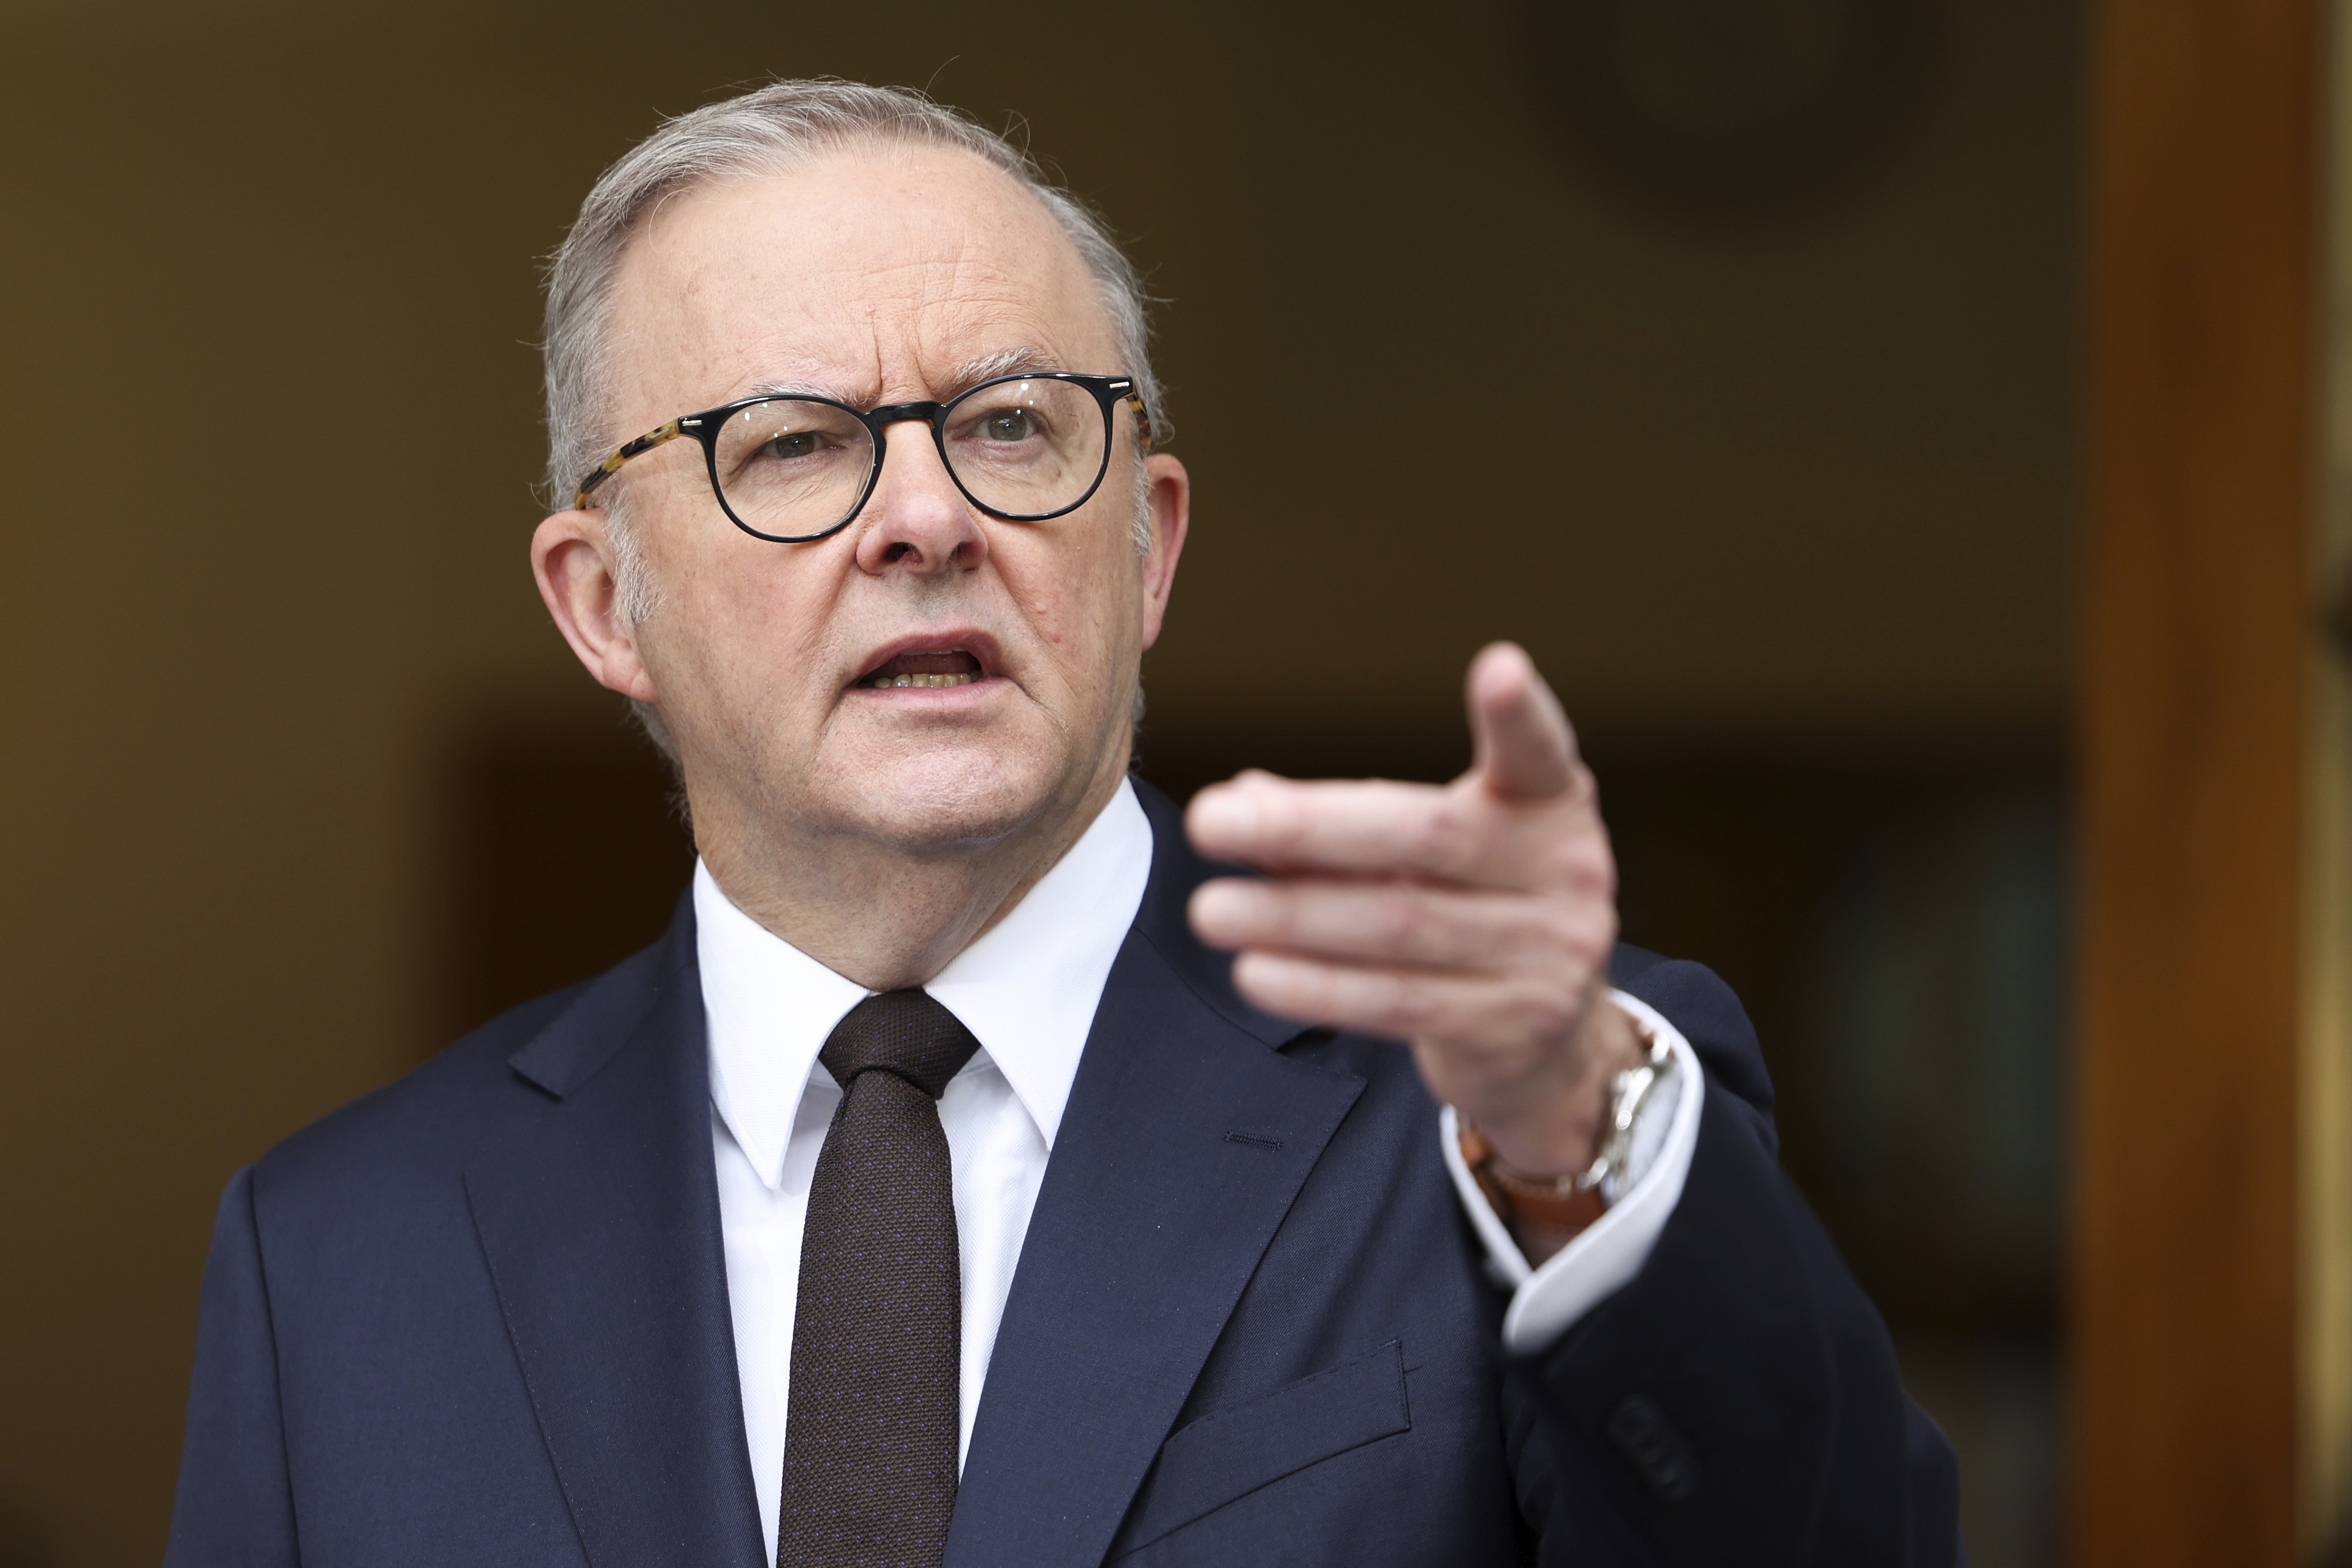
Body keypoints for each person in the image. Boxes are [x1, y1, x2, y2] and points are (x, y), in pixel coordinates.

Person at [165, 80, 1959, 1567]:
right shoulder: (341, 1261)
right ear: (602, 602)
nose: (927, 517)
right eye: (791, 446)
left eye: (1013, 426)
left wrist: (1576, 1137)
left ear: (1149, 544)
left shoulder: (1508, 1118)